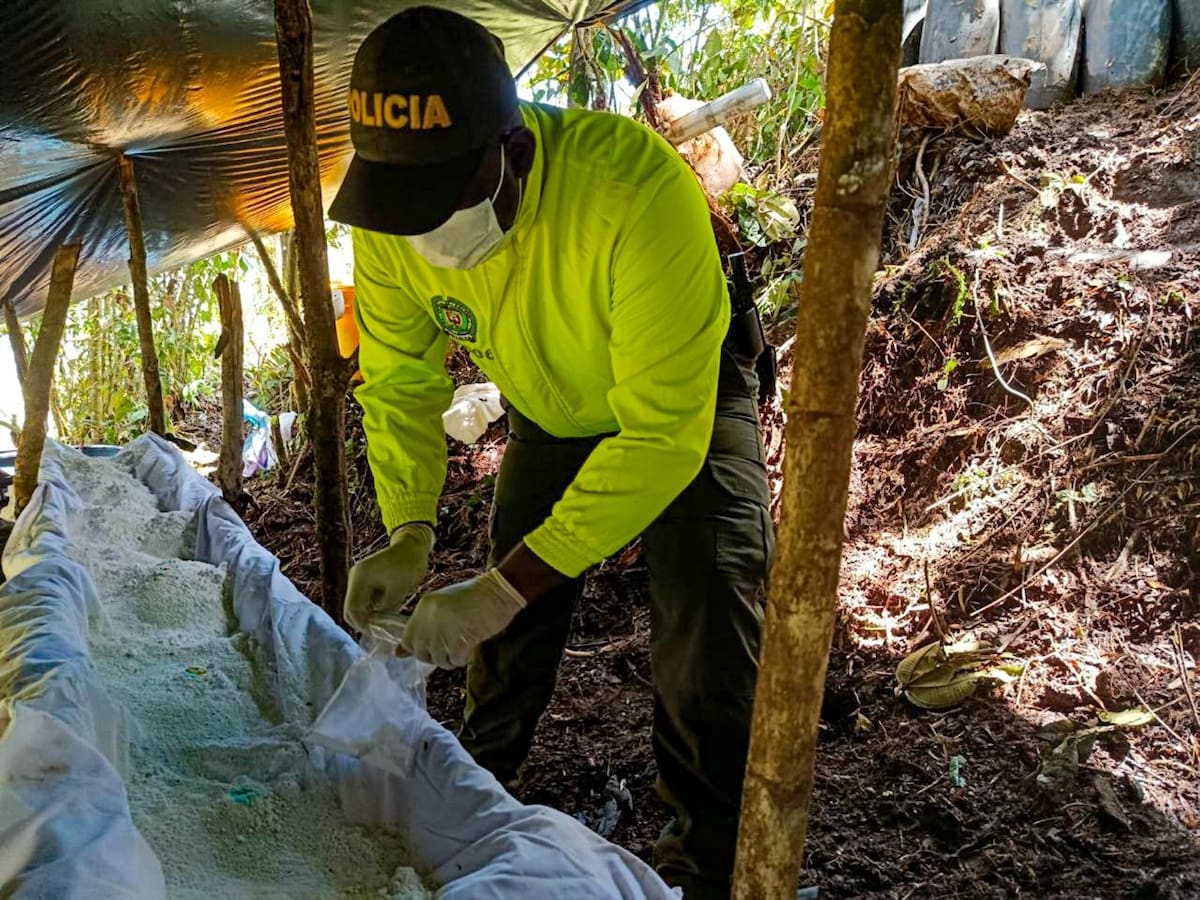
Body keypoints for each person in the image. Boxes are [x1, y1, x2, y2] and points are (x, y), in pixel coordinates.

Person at [331, 8, 773, 898]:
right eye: (404, 206)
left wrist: (500, 587)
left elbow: (659, 435)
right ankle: (474, 807)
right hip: (545, 406)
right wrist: (410, 529)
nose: (426, 238)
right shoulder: (389, 224)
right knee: (506, 636)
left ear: (515, 152)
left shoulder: (634, 191)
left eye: (444, 202)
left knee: (708, 614)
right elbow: (402, 383)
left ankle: (707, 865)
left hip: (681, 396)